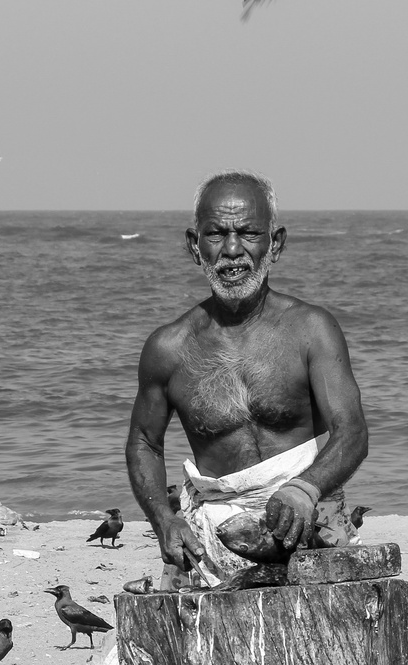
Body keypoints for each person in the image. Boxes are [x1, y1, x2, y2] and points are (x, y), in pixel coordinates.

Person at [126, 170, 369, 586]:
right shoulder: (168, 347)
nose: (232, 250)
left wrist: (305, 490)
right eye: (216, 234)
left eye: (249, 233)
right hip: (211, 532)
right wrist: (164, 520)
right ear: (194, 244)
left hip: (309, 518)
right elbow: (144, 442)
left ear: (275, 244)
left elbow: (352, 433)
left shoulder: (311, 330)